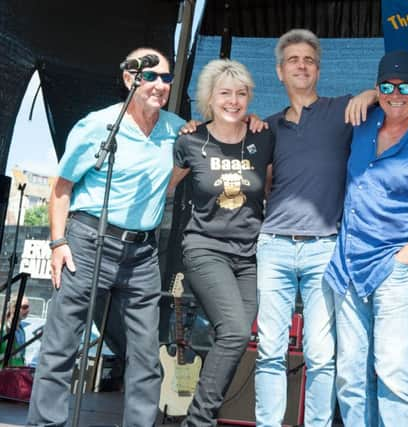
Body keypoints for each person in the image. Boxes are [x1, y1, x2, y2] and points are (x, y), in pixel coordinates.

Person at [27, 47, 185, 427]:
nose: (161, 85)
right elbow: (61, 187)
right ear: (130, 79)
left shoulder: (177, 129)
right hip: (87, 239)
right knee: (62, 344)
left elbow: (179, 174)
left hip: (141, 251)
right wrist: (57, 242)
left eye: (166, 78)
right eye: (151, 76)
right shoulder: (98, 126)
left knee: (145, 354)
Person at [323, 50, 408, 426]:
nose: (395, 93)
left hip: (395, 274)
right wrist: (366, 95)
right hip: (347, 269)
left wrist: (405, 259)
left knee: (393, 377)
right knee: (349, 378)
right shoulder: (362, 124)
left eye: (405, 86)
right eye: (386, 85)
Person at [254, 28, 376, 427]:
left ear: (318, 69)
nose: (301, 66)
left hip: (325, 248)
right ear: (279, 72)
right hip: (273, 247)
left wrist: (369, 94)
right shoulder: (267, 127)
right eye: (293, 60)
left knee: (321, 355)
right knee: (270, 351)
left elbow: (390, 94)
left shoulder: (342, 111)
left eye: (308, 59)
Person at [168, 58, 274, 426]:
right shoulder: (191, 141)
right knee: (233, 331)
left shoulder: (263, 137)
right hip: (205, 249)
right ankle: (199, 421)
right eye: (224, 93)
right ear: (209, 99)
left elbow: (271, 190)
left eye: (241, 93)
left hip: (250, 255)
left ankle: (199, 417)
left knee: (236, 338)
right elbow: (164, 187)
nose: (233, 101)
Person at [0, 294, 30, 367]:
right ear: (13, 308)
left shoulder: (21, 331)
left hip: (17, 373)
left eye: (28, 307)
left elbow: (20, 356)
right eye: (24, 307)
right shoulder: (2, 329)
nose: (28, 310)